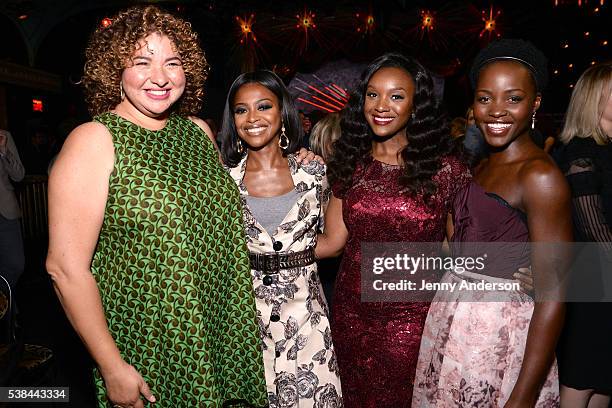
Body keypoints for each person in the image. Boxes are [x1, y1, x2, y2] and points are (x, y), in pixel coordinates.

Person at [45, 6, 267, 407]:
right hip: (153, 345)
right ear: (115, 70)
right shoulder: (94, 140)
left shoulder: (198, 132)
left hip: (222, 329)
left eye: (173, 62)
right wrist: (112, 367)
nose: (161, 78)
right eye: (142, 62)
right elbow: (65, 268)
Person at [413, 39, 571, 407]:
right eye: (485, 99)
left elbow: (554, 295)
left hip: (497, 335)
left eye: (512, 99)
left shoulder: (540, 176)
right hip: (453, 319)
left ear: (535, 104)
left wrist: (523, 396)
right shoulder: (483, 163)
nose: (497, 111)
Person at [316, 53, 470, 407]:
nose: (381, 106)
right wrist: (262, 249)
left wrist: (516, 268)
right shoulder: (350, 164)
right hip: (351, 318)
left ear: (416, 106)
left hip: (415, 321)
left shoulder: (445, 170)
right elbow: (333, 242)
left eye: (396, 96)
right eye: (373, 94)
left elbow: (462, 253)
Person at [219, 70, 342, 408]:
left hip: (308, 323)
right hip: (244, 327)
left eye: (263, 106)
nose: (253, 118)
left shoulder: (314, 175)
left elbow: (333, 241)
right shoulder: (221, 182)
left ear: (282, 112)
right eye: (241, 110)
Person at [554, 62, 612, 408]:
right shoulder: (581, 152)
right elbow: (593, 228)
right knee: (579, 382)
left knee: (604, 381)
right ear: (594, 99)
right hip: (590, 284)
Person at [0, 129, 25, 300]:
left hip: (5, 212)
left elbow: (19, 175)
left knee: (16, 264)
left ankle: (4, 302)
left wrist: (3, 151)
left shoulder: (4, 136)